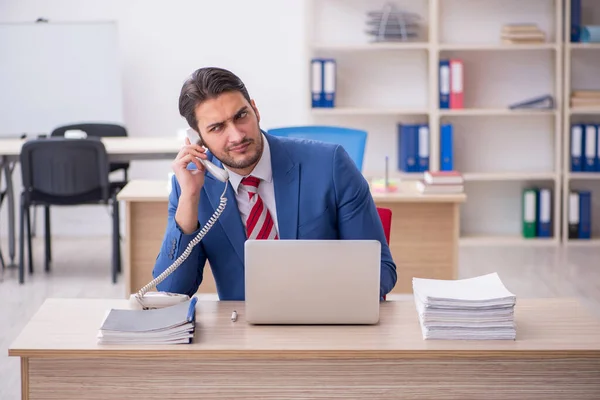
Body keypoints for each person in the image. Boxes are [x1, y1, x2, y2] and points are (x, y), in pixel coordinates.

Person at [152, 67, 397, 300]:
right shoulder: (192, 186)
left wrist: (322, 301)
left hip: (326, 324)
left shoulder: (331, 164)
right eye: (217, 128)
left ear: (255, 110)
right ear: (198, 138)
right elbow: (173, 290)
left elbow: (380, 271)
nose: (237, 135)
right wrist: (190, 198)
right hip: (243, 334)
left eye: (241, 116)